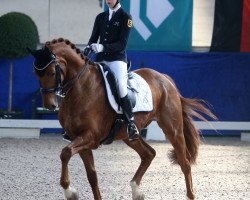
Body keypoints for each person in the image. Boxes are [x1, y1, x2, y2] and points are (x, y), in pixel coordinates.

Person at [85, 0, 139, 140]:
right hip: (100, 59)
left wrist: (103, 47)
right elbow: (93, 39)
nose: (108, 0)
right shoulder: (100, 17)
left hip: (117, 59)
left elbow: (122, 44)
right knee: (85, 82)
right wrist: (87, 50)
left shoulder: (126, 17)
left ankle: (130, 123)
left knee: (121, 87)